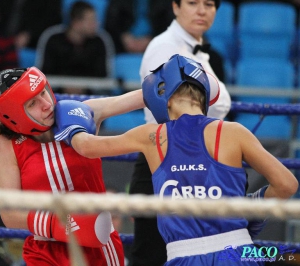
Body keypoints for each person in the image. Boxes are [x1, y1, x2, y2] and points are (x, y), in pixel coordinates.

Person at [53, 54, 299, 265]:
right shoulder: (234, 132)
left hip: (184, 255)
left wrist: (70, 116)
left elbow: (86, 146)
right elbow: (287, 184)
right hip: (239, 251)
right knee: (284, 257)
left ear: (164, 97)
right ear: (203, 96)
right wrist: (252, 207)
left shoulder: (152, 135)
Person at [0, 66, 146, 265]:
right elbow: (10, 214)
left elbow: (139, 97)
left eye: (43, 92)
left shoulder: (79, 113)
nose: (46, 104)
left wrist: (172, 81)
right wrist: (63, 223)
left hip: (97, 246)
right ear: (13, 115)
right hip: (45, 251)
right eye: (33, 102)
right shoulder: (5, 146)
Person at [127, 0, 231, 264]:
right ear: (175, 7)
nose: (201, 10)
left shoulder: (197, 52)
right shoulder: (165, 48)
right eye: (192, 2)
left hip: (189, 164)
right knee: (153, 256)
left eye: (209, 4)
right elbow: (172, 111)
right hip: (165, 161)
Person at [36, 1, 114, 95]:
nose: (96, 24)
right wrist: (63, 86)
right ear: (76, 22)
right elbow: (42, 75)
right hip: (55, 97)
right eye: (91, 20)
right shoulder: (52, 39)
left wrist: (84, 87)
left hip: (91, 98)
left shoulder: (100, 41)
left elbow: (104, 77)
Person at [104, 0, 174, 54]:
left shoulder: (166, 2)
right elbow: (111, 23)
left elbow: (171, 24)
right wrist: (123, 37)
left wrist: (152, 39)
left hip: (157, 47)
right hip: (122, 47)